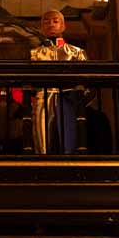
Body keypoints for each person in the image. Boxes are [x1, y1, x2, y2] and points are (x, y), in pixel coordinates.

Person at [30, 10, 88, 154]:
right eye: (46, 22)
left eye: (55, 21)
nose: (51, 24)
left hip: (69, 101)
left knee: (70, 144)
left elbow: (87, 83)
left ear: (63, 26)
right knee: (42, 144)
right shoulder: (34, 53)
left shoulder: (76, 52)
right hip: (42, 100)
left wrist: (77, 100)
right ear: (41, 27)